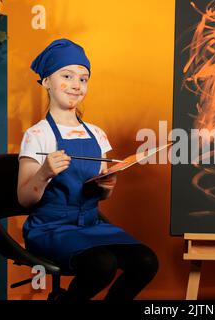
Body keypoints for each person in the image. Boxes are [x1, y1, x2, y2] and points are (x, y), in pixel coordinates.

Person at [17, 38, 158, 301]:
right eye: (67, 75)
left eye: (83, 79)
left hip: (91, 225)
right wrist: (44, 172)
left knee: (146, 261)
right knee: (101, 264)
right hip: (50, 229)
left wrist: (106, 188)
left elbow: (101, 196)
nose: (76, 85)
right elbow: (25, 199)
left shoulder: (96, 134)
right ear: (47, 81)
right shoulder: (37, 134)